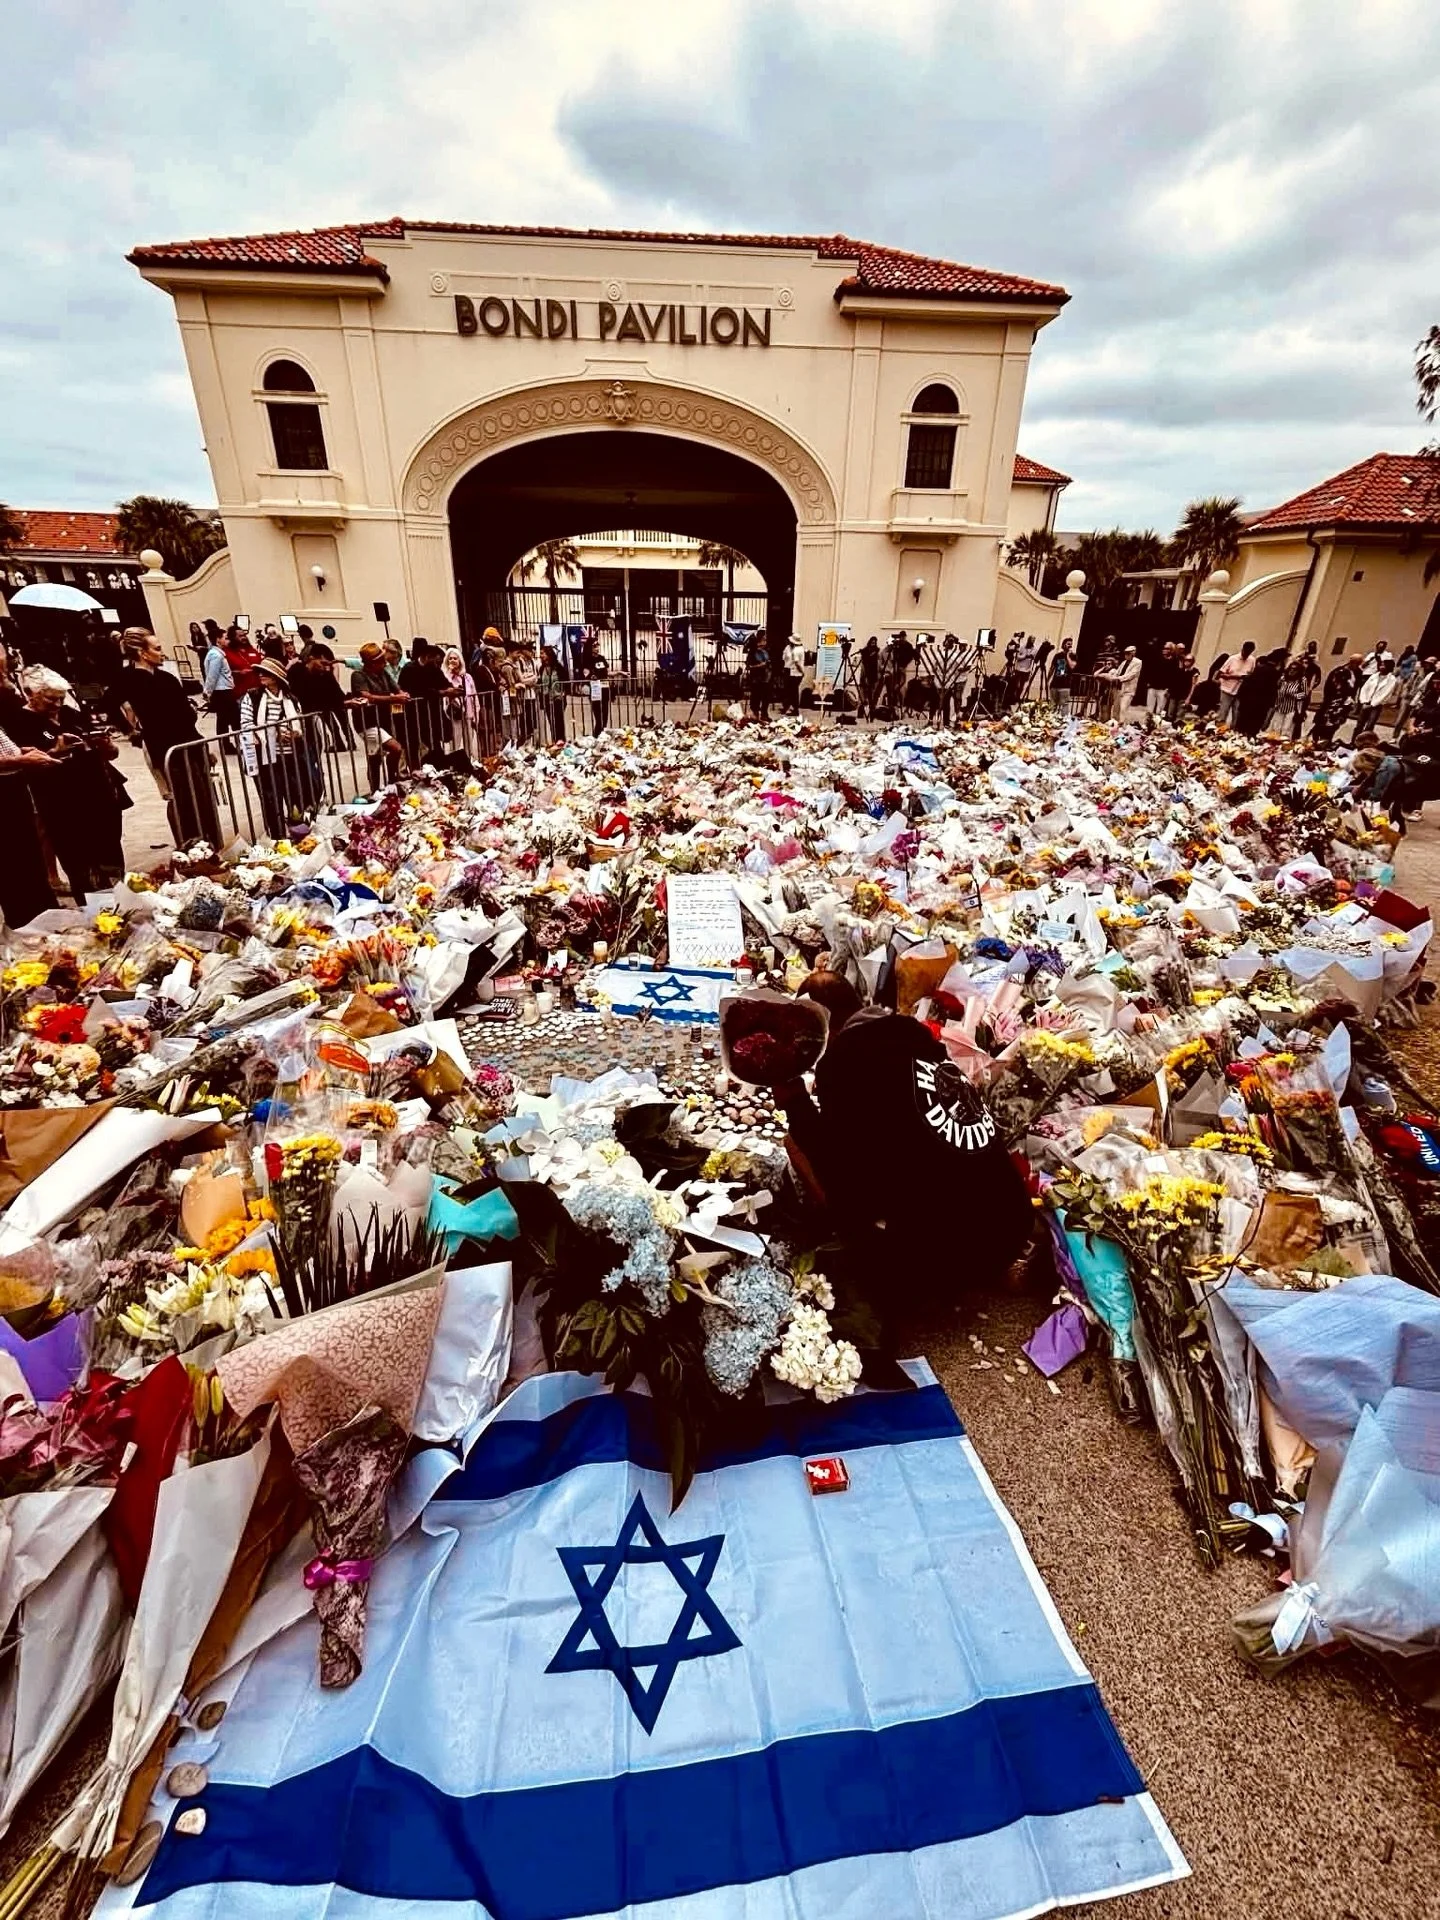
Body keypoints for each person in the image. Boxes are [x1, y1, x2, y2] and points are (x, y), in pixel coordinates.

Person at [773, 971, 1033, 1332]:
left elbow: (850, 1183)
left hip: (950, 1255)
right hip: (1009, 1227)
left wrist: (796, 1104)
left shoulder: (845, 1062)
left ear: (821, 1028)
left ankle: (904, 1278)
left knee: (799, 1147)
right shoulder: (914, 1039)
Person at [16, 665, 128, 898]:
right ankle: (97, 916)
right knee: (82, 868)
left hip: (100, 797)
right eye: (50, 699)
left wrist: (105, 745)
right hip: (63, 806)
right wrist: (55, 752)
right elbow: (23, 766)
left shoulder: (71, 714)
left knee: (111, 860)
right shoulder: (20, 722)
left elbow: (111, 754)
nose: (57, 705)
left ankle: (120, 906)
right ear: (29, 693)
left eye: (61, 698)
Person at [113, 628, 216, 845]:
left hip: (188, 742)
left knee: (201, 794)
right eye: (157, 648)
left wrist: (201, 744)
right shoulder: (128, 678)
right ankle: (188, 844)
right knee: (178, 796)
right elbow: (109, 704)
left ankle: (208, 841)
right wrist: (130, 730)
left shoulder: (167, 678)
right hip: (163, 748)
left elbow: (186, 715)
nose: (162, 653)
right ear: (143, 652)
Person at [240, 655, 316, 839]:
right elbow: (246, 723)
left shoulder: (291, 699)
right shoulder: (252, 697)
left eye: (265, 673)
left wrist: (293, 734)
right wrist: (270, 734)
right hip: (265, 758)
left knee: (295, 796)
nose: (261, 676)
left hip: (290, 756)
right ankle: (277, 836)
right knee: (271, 798)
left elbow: (299, 724)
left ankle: (298, 833)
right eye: (260, 672)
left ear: (276, 677)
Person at [349, 641, 408, 786]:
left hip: (384, 719)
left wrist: (402, 695)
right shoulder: (358, 675)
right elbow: (367, 696)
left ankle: (391, 781)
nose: (384, 663)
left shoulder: (383, 673)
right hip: (367, 722)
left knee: (379, 755)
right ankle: (376, 788)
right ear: (371, 663)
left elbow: (396, 689)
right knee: (393, 749)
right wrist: (393, 698)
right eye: (381, 661)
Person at [398, 640, 450, 761]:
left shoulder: (434, 669)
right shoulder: (409, 669)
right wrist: (442, 692)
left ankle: (435, 769)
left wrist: (451, 689)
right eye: (436, 659)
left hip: (430, 715)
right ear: (427, 657)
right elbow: (418, 690)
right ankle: (415, 771)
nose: (438, 663)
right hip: (412, 714)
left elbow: (443, 682)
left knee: (435, 745)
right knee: (413, 745)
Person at [1271, 642, 1321, 739]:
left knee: (1286, 730)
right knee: (1275, 728)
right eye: (1291, 669)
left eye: (1295, 670)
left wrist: (1294, 695)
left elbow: (1305, 693)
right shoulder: (1283, 678)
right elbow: (1277, 687)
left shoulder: (1302, 680)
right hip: (1280, 706)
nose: (1292, 671)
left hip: (1292, 708)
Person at [203, 628, 240, 747]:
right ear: (218, 639)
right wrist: (207, 692)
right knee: (228, 719)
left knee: (226, 719)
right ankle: (228, 744)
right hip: (222, 691)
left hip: (224, 690)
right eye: (225, 638)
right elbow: (212, 675)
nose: (227, 640)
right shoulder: (216, 656)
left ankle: (231, 742)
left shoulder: (217, 654)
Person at [1310, 659, 1359, 746]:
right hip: (1327, 711)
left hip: (1335, 715)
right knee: (1318, 731)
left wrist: (1342, 712)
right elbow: (1327, 694)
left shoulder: (1348, 689)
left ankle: (1322, 744)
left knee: (1328, 733)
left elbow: (1349, 701)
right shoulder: (1336, 682)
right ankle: (1317, 743)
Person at [1351, 655, 1400, 740]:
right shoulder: (1374, 676)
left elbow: (1385, 694)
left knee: (1369, 725)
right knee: (1359, 724)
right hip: (1366, 702)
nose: (1381, 667)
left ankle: (1364, 742)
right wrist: (1363, 701)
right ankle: (1354, 741)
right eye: (1380, 665)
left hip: (1376, 705)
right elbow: (1364, 689)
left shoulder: (1391, 679)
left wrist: (1372, 704)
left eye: (1383, 665)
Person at [1237, 646, 1284, 735]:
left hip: (1248, 703)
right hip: (1260, 706)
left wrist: (1241, 698)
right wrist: (1271, 703)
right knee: (1252, 728)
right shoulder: (1274, 674)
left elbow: (1246, 683)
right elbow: (1272, 691)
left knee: (1242, 728)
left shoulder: (1258, 669)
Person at [1216, 641, 1256, 726]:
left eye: (1249, 653)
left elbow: (1251, 675)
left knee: (1237, 714)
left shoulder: (1252, 660)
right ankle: (1218, 730)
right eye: (1245, 652)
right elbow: (1220, 674)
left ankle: (1233, 733)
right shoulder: (1232, 659)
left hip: (1240, 691)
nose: (1246, 655)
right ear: (1243, 649)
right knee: (1223, 712)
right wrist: (1236, 677)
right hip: (1227, 689)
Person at [536, 644, 567, 742]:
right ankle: (554, 740)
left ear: (549, 654)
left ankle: (561, 740)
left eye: (543, 653)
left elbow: (565, 680)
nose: (541, 655)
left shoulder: (558, 667)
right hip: (547, 699)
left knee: (559, 721)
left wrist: (563, 692)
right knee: (551, 722)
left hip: (558, 698)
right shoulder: (542, 668)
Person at [581, 636, 610, 734]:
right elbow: (586, 674)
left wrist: (620, 672)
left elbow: (607, 673)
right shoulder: (587, 659)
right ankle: (596, 736)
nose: (597, 648)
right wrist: (591, 677)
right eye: (594, 646)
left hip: (605, 689)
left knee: (605, 716)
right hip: (595, 690)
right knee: (599, 717)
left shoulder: (602, 658)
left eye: (598, 645)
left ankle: (602, 735)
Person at [1189, 654, 1225, 719]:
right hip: (1213, 690)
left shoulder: (1214, 667)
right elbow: (1214, 679)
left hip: (1209, 689)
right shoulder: (1221, 669)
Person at [1167, 650, 1198, 721]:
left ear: (1192, 661)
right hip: (1174, 694)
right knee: (1170, 714)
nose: (1187, 661)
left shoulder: (1194, 672)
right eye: (1185, 660)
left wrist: (1189, 698)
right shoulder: (1180, 670)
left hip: (1184, 696)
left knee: (1179, 716)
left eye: (1189, 660)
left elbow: (1193, 686)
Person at [857, 636, 882, 719]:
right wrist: (864, 677)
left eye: (874, 642)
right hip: (865, 674)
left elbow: (878, 663)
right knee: (863, 695)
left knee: (872, 695)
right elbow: (864, 664)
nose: (873, 644)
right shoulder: (865, 651)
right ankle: (861, 711)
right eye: (872, 642)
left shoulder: (877, 651)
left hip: (873, 675)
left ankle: (872, 711)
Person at [747, 632, 771, 721]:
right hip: (756, 679)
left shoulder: (766, 651)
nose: (765, 642)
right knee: (755, 698)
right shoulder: (753, 652)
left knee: (766, 697)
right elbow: (749, 666)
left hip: (766, 678)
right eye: (763, 639)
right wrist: (760, 665)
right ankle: (755, 715)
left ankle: (764, 714)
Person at [1049, 639, 1075, 715]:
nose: (1070, 645)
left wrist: (1067, 656)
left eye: (1071, 644)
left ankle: (1064, 720)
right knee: (1052, 705)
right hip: (1055, 684)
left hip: (1065, 685)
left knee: (1064, 705)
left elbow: (1072, 666)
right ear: (1063, 645)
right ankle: (1050, 720)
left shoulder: (1073, 656)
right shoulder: (1057, 656)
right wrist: (1048, 680)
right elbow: (1052, 668)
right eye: (1068, 644)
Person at [780, 634, 804, 712]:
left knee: (793, 691)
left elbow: (797, 663)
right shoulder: (787, 648)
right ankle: (786, 706)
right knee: (787, 690)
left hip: (794, 671)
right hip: (788, 669)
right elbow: (783, 658)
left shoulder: (797, 650)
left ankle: (794, 707)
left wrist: (802, 671)